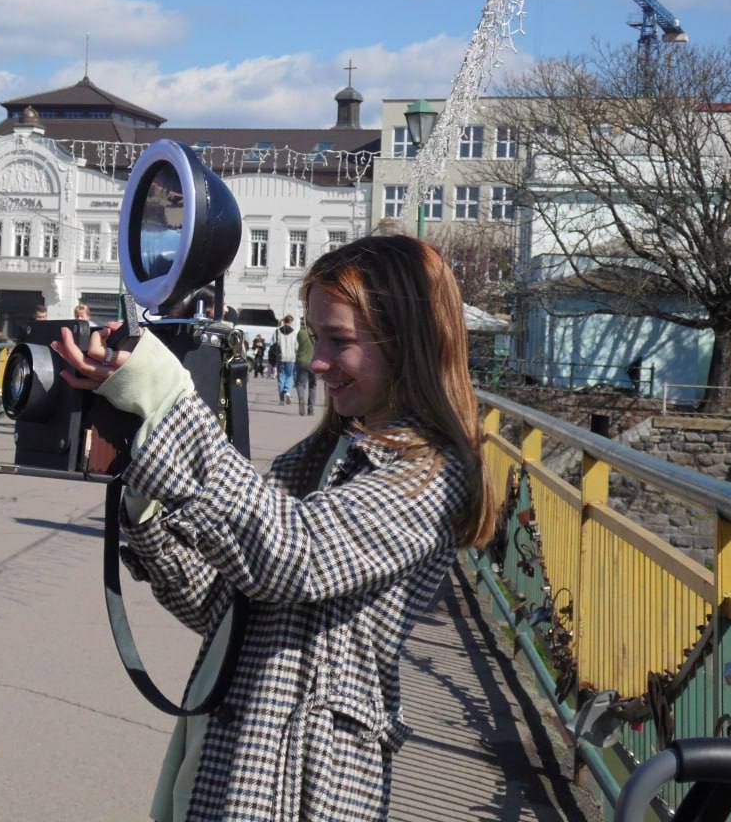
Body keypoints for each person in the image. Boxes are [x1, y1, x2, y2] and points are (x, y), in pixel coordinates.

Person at [50, 234, 496, 821]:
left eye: (340, 342)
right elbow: (223, 607)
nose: (317, 361)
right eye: (316, 337)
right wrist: (146, 500)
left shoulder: (433, 475)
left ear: (409, 346)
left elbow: (293, 558)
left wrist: (170, 402)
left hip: (305, 779)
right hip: (238, 751)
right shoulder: (316, 459)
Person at [272, 314, 298, 403]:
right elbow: (296, 346)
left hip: (280, 357)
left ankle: (281, 399)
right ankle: (287, 391)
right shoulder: (294, 332)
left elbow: (273, 343)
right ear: (291, 322)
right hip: (291, 357)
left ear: (284, 321)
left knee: (281, 376)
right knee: (289, 375)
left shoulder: (277, 331)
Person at [294, 316, 316, 416]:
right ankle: (310, 409)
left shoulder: (300, 333)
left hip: (302, 361)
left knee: (300, 384)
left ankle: (301, 399)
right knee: (313, 386)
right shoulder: (316, 334)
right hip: (314, 362)